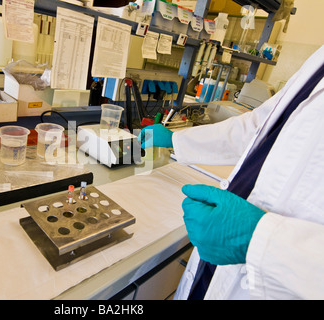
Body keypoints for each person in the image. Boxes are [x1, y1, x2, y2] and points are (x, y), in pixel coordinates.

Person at [138, 45, 324, 299]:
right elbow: (259, 125)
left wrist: (260, 239)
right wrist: (177, 140)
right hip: (219, 266)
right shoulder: (319, 58)